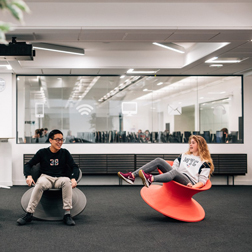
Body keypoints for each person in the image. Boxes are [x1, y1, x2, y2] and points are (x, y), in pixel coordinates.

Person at [17, 129, 79, 226]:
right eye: (57, 140)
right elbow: (28, 164)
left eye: (62, 140)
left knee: (67, 181)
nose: (60, 142)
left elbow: (74, 166)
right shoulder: (42, 152)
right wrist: (28, 176)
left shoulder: (65, 152)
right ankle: (29, 213)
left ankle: (67, 214)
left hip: (61, 178)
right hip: (46, 177)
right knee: (40, 183)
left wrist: (73, 178)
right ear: (50, 140)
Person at [118, 135, 214, 189]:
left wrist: (193, 186)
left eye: (193, 143)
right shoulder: (184, 155)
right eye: (190, 142)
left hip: (189, 181)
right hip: (177, 175)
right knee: (159, 160)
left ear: (200, 145)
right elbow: (175, 167)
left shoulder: (205, 162)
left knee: (175, 172)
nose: (190, 145)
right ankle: (132, 176)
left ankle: (151, 179)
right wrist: (172, 172)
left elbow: (202, 181)